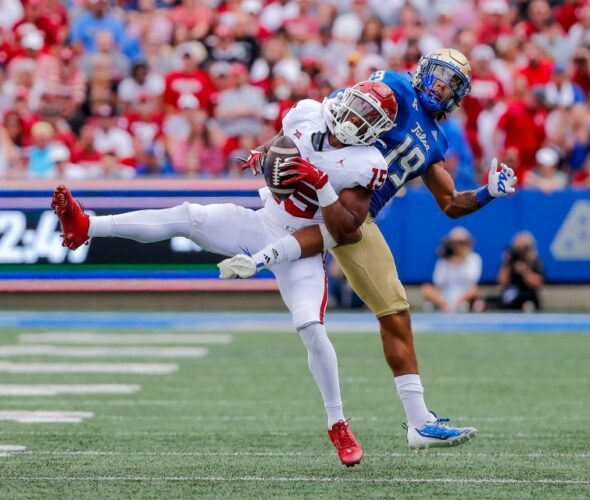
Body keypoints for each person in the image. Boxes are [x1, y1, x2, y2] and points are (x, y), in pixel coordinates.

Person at [51, 81, 398, 468]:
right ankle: (87, 227)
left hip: (307, 245)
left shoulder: (368, 163)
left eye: (367, 117)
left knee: (311, 326)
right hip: (264, 221)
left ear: (376, 129)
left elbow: (343, 231)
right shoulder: (307, 113)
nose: (354, 118)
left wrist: (319, 186)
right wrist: (264, 153)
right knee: (188, 215)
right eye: (356, 107)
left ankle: (337, 423)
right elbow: (283, 142)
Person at [220, 49, 517, 450]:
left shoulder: (437, 141)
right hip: (328, 189)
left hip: (356, 215)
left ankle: (419, 422)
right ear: (423, 72)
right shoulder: (392, 84)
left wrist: (487, 192)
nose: (440, 87)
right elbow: (329, 114)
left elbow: (449, 204)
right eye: (438, 77)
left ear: (457, 96)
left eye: (450, 85)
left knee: (395, 311)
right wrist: (272, 149)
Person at [421, 227, 483, 313]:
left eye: (461, 243)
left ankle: (458, 304)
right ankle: (446, 305)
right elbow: (438, 282)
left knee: (475, 290)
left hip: (465, 294)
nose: (458, 246)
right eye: (456, 243)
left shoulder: (474, 258)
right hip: (445, 295)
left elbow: (473, 279)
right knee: (426, 289)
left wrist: (462, 262)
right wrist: (449, 261)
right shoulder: (444, 260)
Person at [493, 232, 545, 312]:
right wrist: (506, 264)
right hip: (511, 294)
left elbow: (537, 284)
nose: (521, 251)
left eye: (524, 248)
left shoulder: (536, 261)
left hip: (528, 296)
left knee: (528, 305)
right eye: (518, 248)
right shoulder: (510, 260)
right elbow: (502, 283)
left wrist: (525, 271)